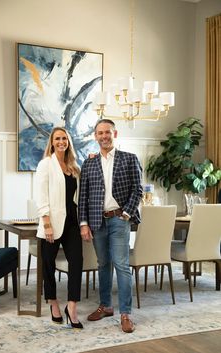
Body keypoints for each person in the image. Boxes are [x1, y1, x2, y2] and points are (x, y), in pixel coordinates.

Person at [79, 119, 143, 333]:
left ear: (114, 134)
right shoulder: (89, 162)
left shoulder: (129, 159)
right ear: (95, 136)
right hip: (97, 221)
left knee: (122, 266)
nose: (104, 136)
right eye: (100, 133)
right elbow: (84, 196)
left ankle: (125, 313)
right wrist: (84, 223)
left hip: (119, 219)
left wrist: (126, 213)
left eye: (107, 132)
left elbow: (138, 190)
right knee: (102, 264)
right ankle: (105, 306)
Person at [36, 127, 83, 328]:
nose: (61, 141)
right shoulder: (46, 164)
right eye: (58, 138)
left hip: (72, 220)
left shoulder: (74, 166)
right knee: (48, 264)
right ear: (52, 142)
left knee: (77, 262)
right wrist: (46, 223)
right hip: (52, 222)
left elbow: (78, 196)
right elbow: (41, 195)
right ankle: (53, 302)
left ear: (68, 141)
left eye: (64, 138)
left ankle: (71, 306)